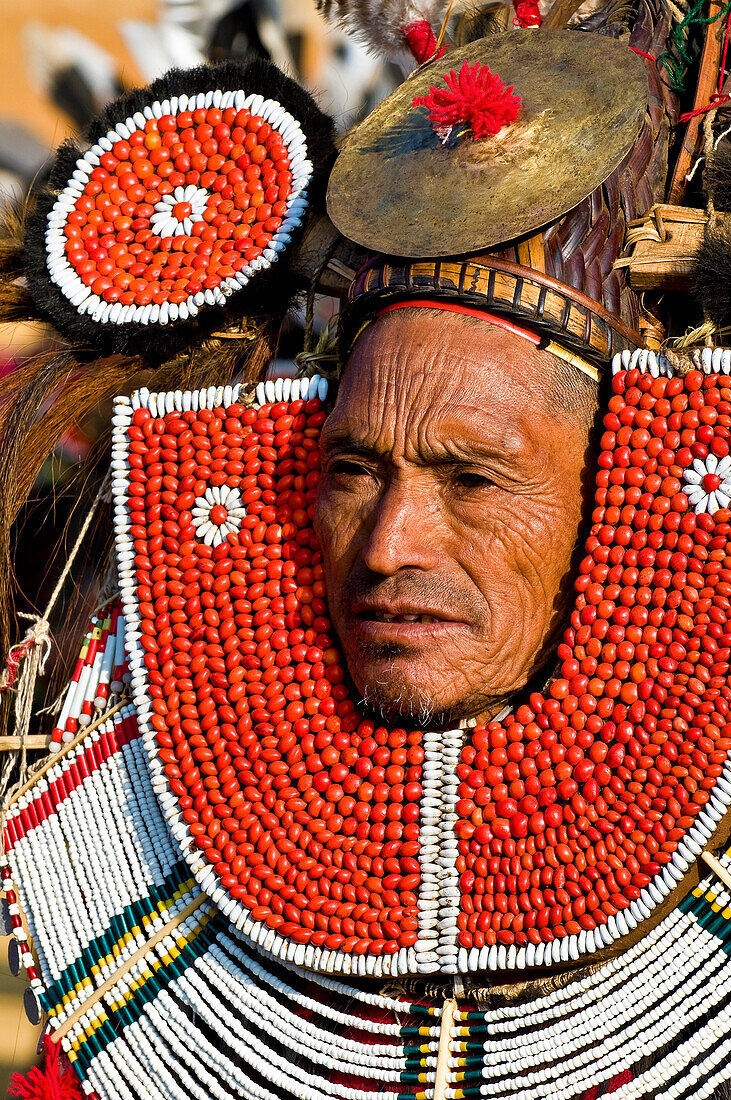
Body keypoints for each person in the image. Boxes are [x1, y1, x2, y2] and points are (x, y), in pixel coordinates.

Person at [3, 5, 731, 1100]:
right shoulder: (117, 769)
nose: (388, 545)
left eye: (472, 478)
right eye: (351, 469)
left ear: (625, 480)